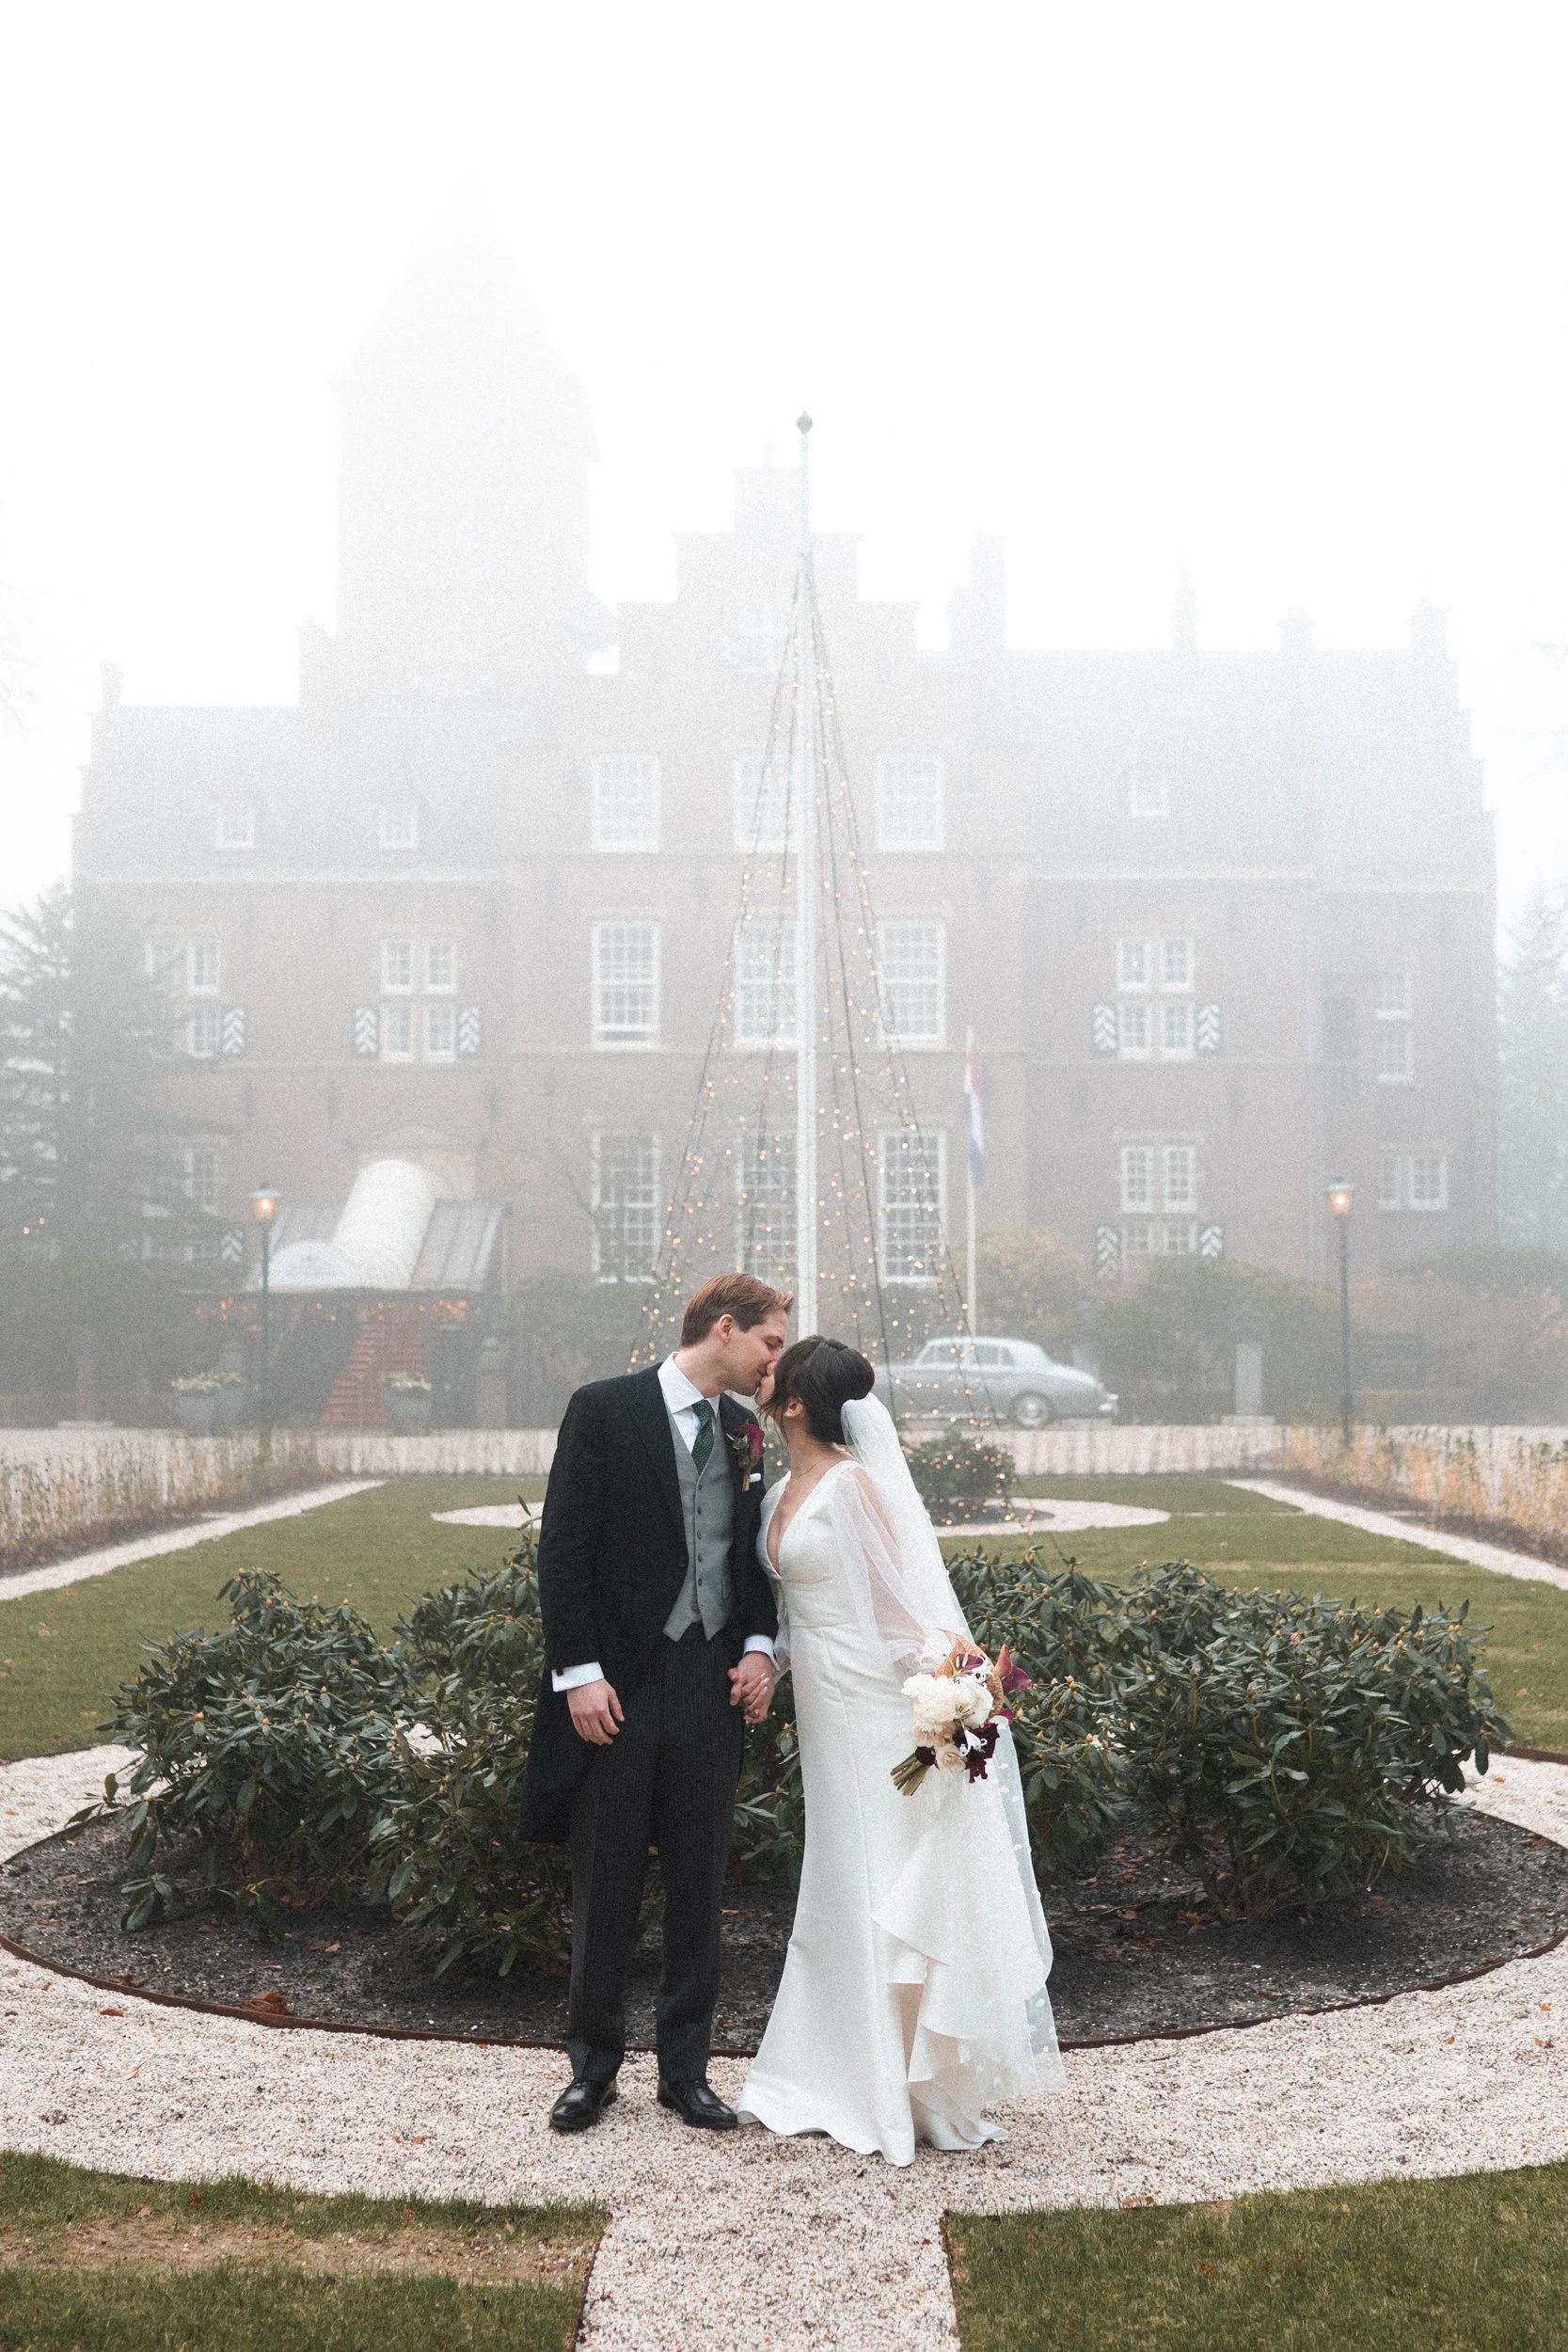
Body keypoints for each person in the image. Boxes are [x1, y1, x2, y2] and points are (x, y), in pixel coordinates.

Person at [737, 1334, 1065, 2165]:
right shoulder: (780, 1485)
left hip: (874, 1712)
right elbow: (794, 1610)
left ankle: (898, 2088)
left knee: (877, 1875)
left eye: (777, 1368)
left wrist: (954, 1699)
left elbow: (901, 1616)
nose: (761, 1371)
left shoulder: (854, 1489)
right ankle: (834, 2067)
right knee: (839, 1876)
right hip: (820, 1705)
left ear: (800, 1403)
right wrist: (767, 1661)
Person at [520, 1272, 791, 2134]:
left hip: (710, 1682)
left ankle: (686, 2073)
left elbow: (746, 1557)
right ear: (724, 1329)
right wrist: (579, 1672)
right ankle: (591, 2070)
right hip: (620, 1684)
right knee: (605, 1881)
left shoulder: (745, 1430)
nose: (773, 1361)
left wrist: (756, 1648)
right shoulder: (603, 1409)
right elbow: (563, 1549)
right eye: (769, 1343)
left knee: (699, 1882)